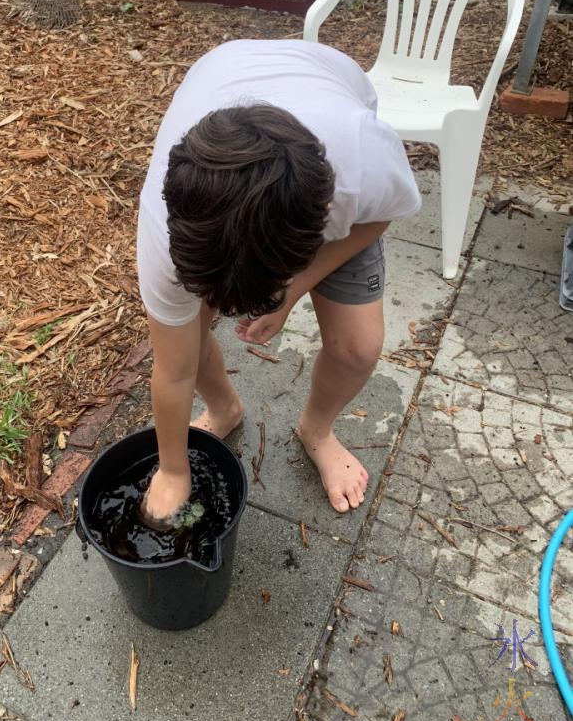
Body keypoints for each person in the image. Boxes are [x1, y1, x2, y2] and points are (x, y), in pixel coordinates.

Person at [136, 39, 421, 524]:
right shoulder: (165, 230)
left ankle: (318, 429)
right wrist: (172, 470)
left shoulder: (360, 165)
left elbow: (379, 219)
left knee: (359, 347)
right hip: (223, 71)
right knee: (189, 334)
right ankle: (225, 410)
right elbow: (174, 367)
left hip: (327, 94)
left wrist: (293, 289)